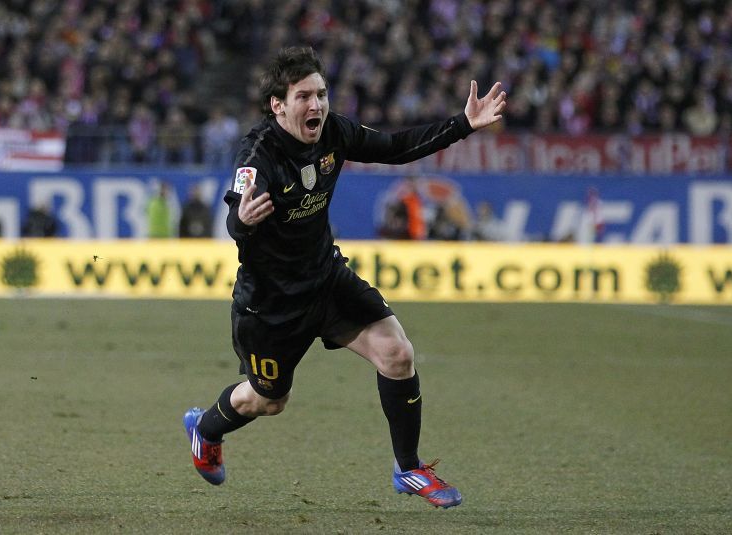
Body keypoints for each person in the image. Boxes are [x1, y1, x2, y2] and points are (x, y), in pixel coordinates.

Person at [182, 46, 506, 509]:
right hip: (273, 303)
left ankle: (408, 470)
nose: (316, 105)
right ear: (278, 105)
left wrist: (462, 125)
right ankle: (206, 428)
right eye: (303, 97)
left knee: (396, 353)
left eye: (321, 94)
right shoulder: (259, 153)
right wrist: (244, 221)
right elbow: (237, 212)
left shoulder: (334, 132)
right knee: (269, 401)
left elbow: (394, 149)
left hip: (326, 278)